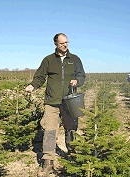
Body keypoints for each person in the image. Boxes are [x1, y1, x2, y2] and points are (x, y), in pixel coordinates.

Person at [25, 33, 86, 176]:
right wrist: (33, 86)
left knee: (71, 129)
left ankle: (72, 155)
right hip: (52, 102)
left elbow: (82, 76)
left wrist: (77, 81)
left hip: (70, 102)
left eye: (66, 43)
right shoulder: (49, 60)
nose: (65, 45)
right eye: (62, 43)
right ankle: (48, 162)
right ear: (55, 44)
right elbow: (40, 77)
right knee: (50, 130)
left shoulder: (75, 59)